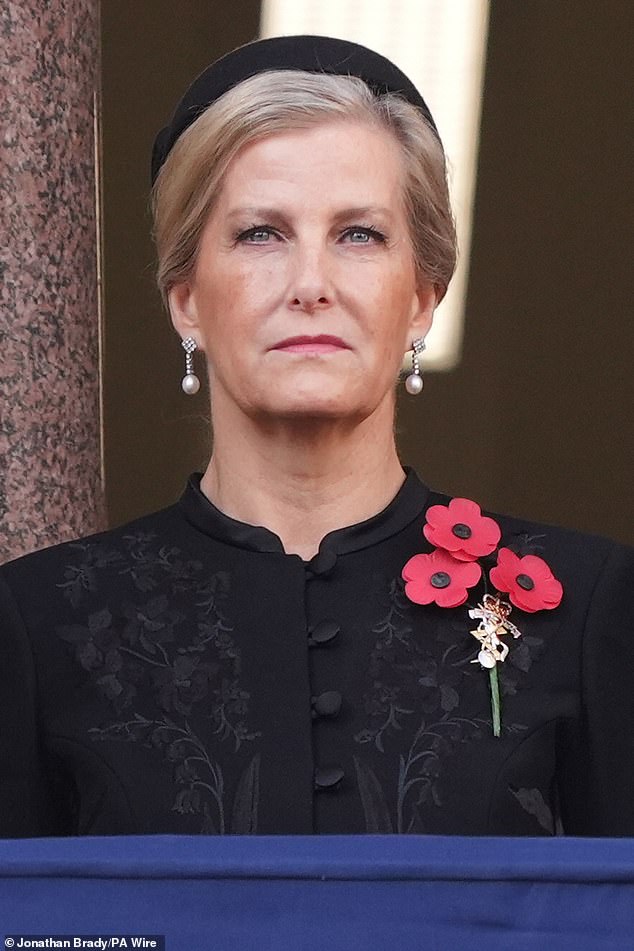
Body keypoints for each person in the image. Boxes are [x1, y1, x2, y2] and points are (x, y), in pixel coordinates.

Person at [0, 35, 632, 838]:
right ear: (186, 298)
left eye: (359, 234)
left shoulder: (586, 609)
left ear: (422, 298)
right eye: (260, 233)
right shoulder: (38, 622)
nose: (310, 284)